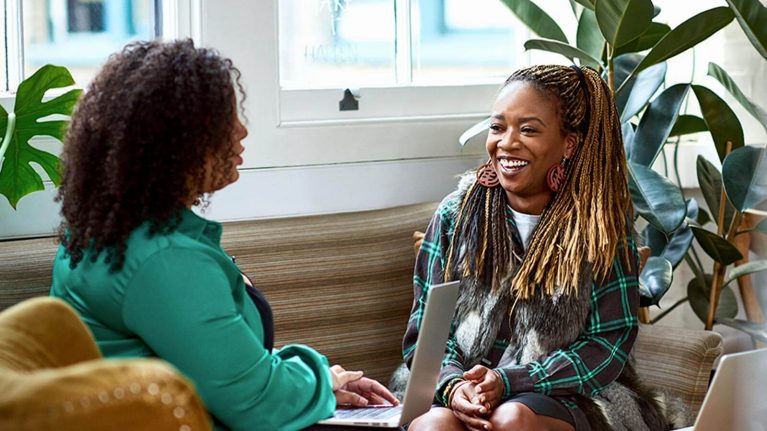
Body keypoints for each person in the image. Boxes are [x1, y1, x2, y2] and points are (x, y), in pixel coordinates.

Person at [50, 39, 397, 431]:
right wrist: (323, 380)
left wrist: (318, 379)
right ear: (172, 143)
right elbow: (254, 403)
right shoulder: (164, 259)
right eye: (223, 120)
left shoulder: (105, 230)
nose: (242, 131)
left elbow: (204, 359)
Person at [397, 65, 668, 431]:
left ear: (568, 144)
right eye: (498, 127)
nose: (507, 142)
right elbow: (425, 333)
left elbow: (606, 347)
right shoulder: (454, 217)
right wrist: (453, 385)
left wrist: (513, 382)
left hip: (568, 393)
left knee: (512, 419)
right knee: (435, 426)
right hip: (460, 388)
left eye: (528, 130)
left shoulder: (601, 230)